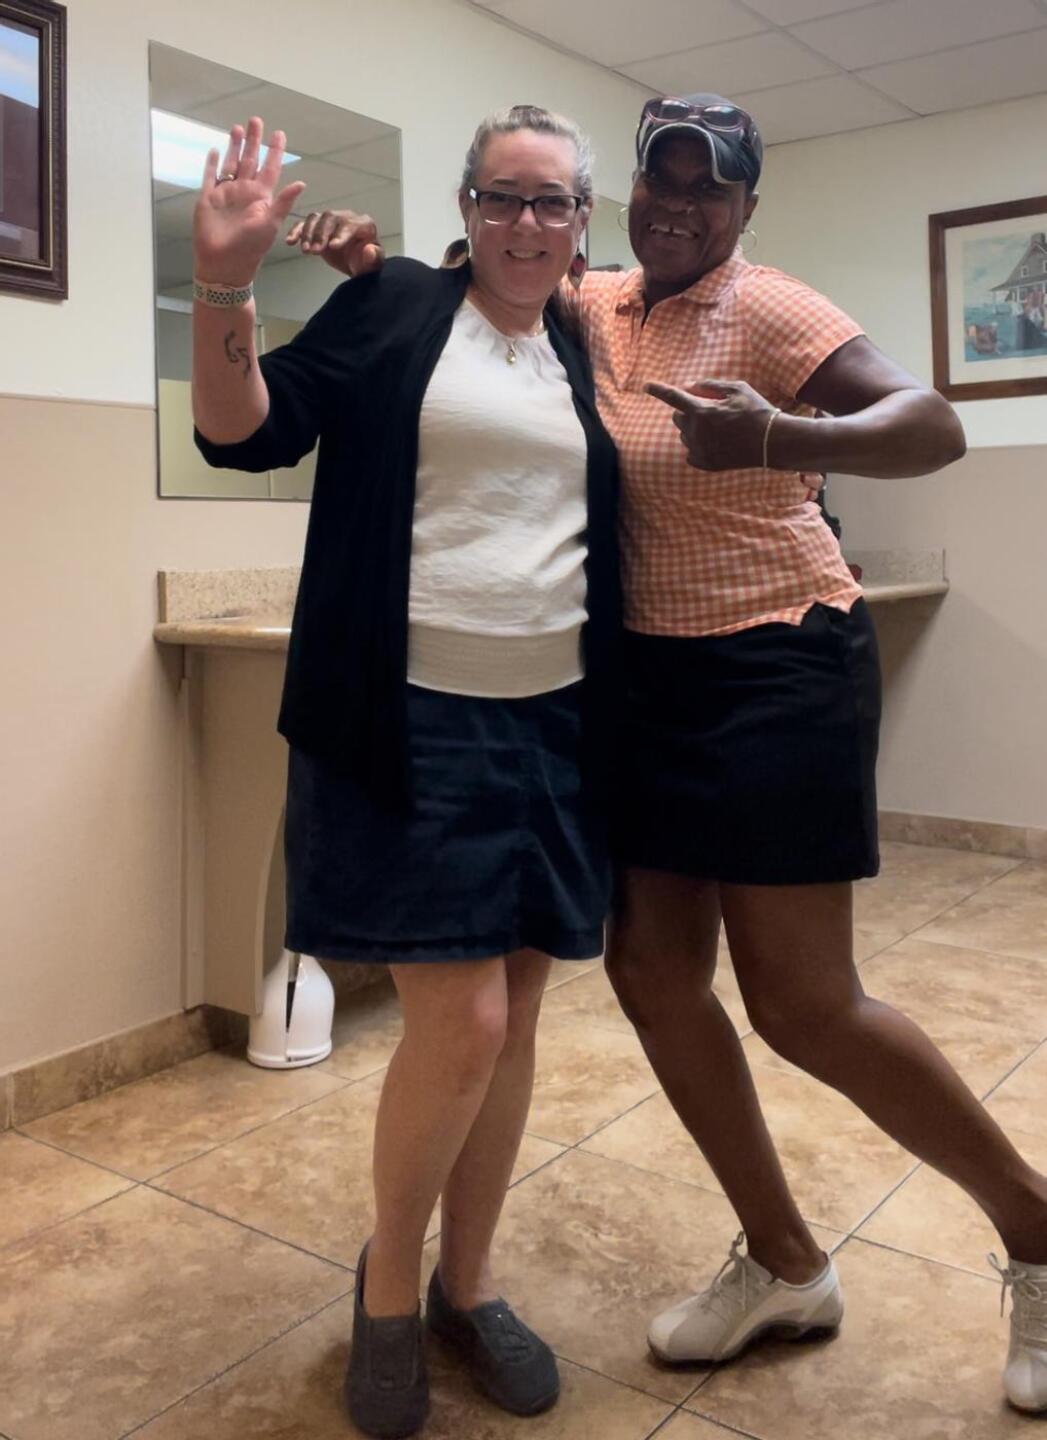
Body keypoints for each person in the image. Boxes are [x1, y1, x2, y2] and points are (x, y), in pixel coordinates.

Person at [292, 91, 1047, 1417]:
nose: (683, 205)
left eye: (712, 187)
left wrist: (780, 436)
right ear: (626, 195)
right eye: (664, 180)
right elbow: (487, 277)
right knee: (650, 976)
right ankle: (786, 1260)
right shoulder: (596, 303)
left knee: (803, 1003)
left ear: (748, 205)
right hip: (646, 682)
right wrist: (373, 267)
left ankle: (1037, 1230)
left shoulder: (771, 307)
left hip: (777, 665)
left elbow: (933, 425)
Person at [190, 105, 620, 1439]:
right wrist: (223, 284)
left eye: (553, 202)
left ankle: (467, 1285)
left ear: (582, 221)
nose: (527, 223)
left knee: (519, 1013)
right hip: (414, 717)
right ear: (467, 206)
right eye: (503, 197)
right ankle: (388, 1286)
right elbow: (243, 429)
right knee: (465, 1021)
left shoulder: (584, 341)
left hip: (559, 722)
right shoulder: (391, 308)